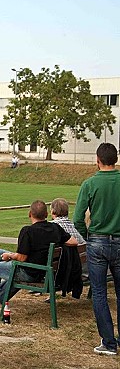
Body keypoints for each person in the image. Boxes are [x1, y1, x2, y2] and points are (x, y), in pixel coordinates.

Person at [73, 142, 120, 355]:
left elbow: (78, 218)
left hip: (98, 241)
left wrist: (88, 237)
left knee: (99, 292)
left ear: (97, 160)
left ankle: (109, 342)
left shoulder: (90, 184)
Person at [0, 200, 78, 303]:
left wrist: (9, 256)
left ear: (30, 214)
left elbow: (21, 258)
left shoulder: (27, 231)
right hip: (44, 270)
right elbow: (74, 241)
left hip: (30, 272)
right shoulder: (55, 228)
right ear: (46, 214)